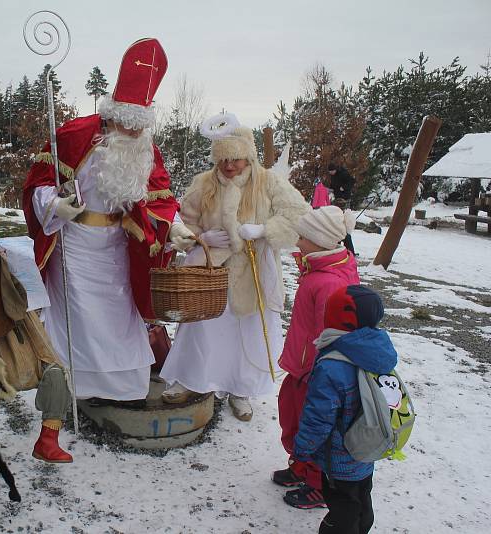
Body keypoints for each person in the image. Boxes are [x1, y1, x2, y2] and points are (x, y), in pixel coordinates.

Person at [23, 38, 194, 402]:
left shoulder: (144, 151)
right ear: (112, 115)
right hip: (74, 247)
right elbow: (38, 185)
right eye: (126, 127)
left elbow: (160, 198)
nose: (131, 135)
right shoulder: (74, 136)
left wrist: (175, 226)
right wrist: (57, 206)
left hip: (116, 248)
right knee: (78, 319)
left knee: (119, 320)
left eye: (137, 129)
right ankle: (74, 388)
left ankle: (123, 387)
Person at [159, 113, 310, 421]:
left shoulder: (269, 182)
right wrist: (200, 237)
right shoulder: (204, 183)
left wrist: (264, 230)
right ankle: (192, 380)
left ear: (247, 156)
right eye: (223, 160)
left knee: (247, 331)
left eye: (236, 160)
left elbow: (298, 215)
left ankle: (239, 389)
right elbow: (183, 222)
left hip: (254, 270)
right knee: (203, 328)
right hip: (211, 270)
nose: (229, 166)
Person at [272, 206, 360, 509]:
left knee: (313, 422)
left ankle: (318, 483)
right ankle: (301, 464)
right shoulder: (320, 269)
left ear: (321, 241)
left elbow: (331, 333)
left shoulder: (329, 282)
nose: (297, 241)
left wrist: (316, 370)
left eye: (303, 237)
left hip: (313, 369)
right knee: (292, 415)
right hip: (302, 363)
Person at [294, 284, 396, 534]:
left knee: (342, 508)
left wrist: (302, 449)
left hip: (340, 456)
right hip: (368, 447)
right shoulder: (376, 349)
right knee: (362, 497)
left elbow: (318, 417)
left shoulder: (332, 364)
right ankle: (362, 527)